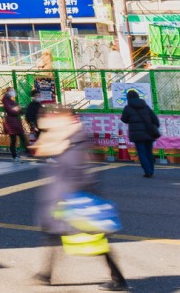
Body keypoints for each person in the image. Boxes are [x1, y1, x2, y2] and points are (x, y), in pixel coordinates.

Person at [34, 108, 129, 290]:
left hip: (72, 200)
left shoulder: (75, 140)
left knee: (93, 241)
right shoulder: (66, 138)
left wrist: (79, 198)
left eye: (54, 117)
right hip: (63, 198)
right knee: (54, 237)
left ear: (66, 119)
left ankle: (118, 279)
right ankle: (45, 274)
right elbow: (43, 150)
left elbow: (80, 173)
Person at [119, 89, 160, 178]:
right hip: (149, 133)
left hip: (137, 135)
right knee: (149, 152)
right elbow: (155, 119)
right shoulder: (145, 106)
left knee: (142, 153)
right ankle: (151, 170)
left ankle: (147, 171)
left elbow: (124, 120)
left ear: (128, 98)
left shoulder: (127, 108)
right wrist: (155, 127)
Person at [3, 87, 27, 164]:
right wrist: (17, 109)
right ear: (7, 92)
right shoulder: (5, 100)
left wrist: (17, 109)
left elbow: (19, 110)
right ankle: (15, 156)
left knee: (22, 137)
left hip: (15, 121)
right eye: (11, 91)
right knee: (14, 140)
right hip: (11, 122)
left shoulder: (11, 100)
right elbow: (12, 110)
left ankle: (24, 153)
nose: (13, 92)